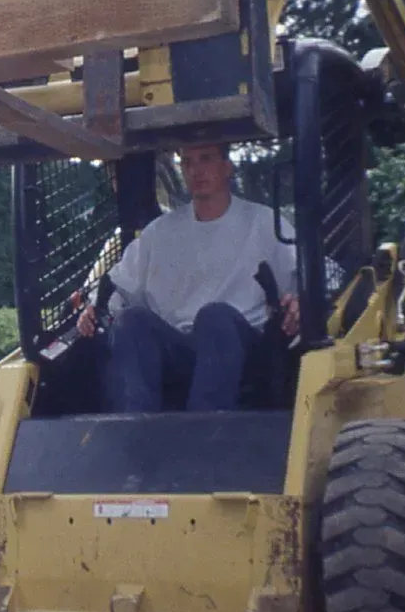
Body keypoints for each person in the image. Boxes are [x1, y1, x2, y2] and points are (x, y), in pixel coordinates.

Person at [76, 141, 299, 413]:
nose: (196, 170)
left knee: (215, 317)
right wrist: (92, 308)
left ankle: (204, 435)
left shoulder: (265, 223)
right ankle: (134, 434)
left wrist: (302, 300)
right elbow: (119, 288)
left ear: (227, 167)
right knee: (131, 322)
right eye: (188, 162)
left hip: (244, 349)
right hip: (180, 347)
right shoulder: (159, 233)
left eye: (206, 158)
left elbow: (310, 276)